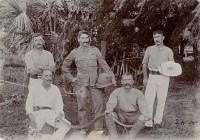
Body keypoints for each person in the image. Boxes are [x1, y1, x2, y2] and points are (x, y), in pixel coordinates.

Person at [62, 30, 116, 133]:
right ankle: (84, 128)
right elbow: (64, 66)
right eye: (82, 38)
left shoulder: (95, 50)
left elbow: (103, 64)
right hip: (81, 83)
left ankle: (99, 128)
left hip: (95, 83)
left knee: (99, 103)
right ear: (78, 40)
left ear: (89, 39)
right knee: (82, 106)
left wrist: (112, 76)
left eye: (86, 38)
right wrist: (71, 78)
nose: (84, 40)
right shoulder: (74, 52)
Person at [25, 69, 71, 140]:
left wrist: (59, 115)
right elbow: (28, 105)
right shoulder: (34, 88)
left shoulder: (55, 89)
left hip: (51, 114)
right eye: (46, 76)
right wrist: (32, 119)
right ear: (42, 77)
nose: (49, 78)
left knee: (67, 126)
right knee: (32, 135)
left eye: (50, 76)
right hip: (38, 113)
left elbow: (59, 105)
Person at [142, 30, 174, 128]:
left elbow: (172, 65)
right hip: (152, 76)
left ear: (163, 38)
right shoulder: (149, 49)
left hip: (164, 77)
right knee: (148, 100)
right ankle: (148, 122)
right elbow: (144, 64)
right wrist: (145, 77)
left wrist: (169, 72)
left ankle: (158, 121)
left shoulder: (168, 50)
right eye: (155, 37)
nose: (157, 39)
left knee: (161, 99)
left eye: (159, 36)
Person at [105, 73, 149, 139]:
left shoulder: (138, 93)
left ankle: (131, 135)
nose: (127, 82)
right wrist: (109, 109)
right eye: (125, 80)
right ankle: (114, 136)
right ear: (122, 82)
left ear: (132, 81)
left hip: (134, 117)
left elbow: (143, 106)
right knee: (108, 114)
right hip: (121, 116)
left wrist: (145, 114)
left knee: (143, 117)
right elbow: (111, 103)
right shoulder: (117, 91)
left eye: (129, 80)